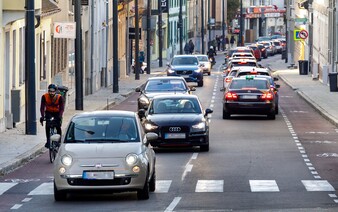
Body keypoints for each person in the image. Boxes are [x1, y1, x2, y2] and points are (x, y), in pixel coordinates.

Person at [40, 84, 65, 148]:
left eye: (53, 91)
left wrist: (60, 115)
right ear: (48, 91)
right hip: (49, 112)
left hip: (57, 112)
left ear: (55, 91)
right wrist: (42, 116)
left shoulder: (60, 97)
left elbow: (62, 108)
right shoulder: (44, 96)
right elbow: (42, 107)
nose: (51, 93)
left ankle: (59, 140)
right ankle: (48, 141)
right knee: (48, 125)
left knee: (57, 126)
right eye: (50, 91)